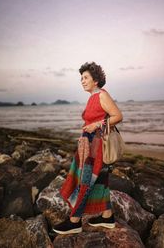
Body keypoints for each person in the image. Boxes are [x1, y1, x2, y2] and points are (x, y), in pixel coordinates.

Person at [53, 62, 123, 234]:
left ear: (96, 81)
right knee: (100, 180)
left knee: (86, 181)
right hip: (90, 143)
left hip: (97, 145)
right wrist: (86, 131)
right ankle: (107, 216)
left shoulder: (101, 95)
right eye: (81, 78)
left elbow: (118, 116)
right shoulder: (93, 96)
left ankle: (74, 221)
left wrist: (95, 126)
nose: (82, 81)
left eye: (85, 78)